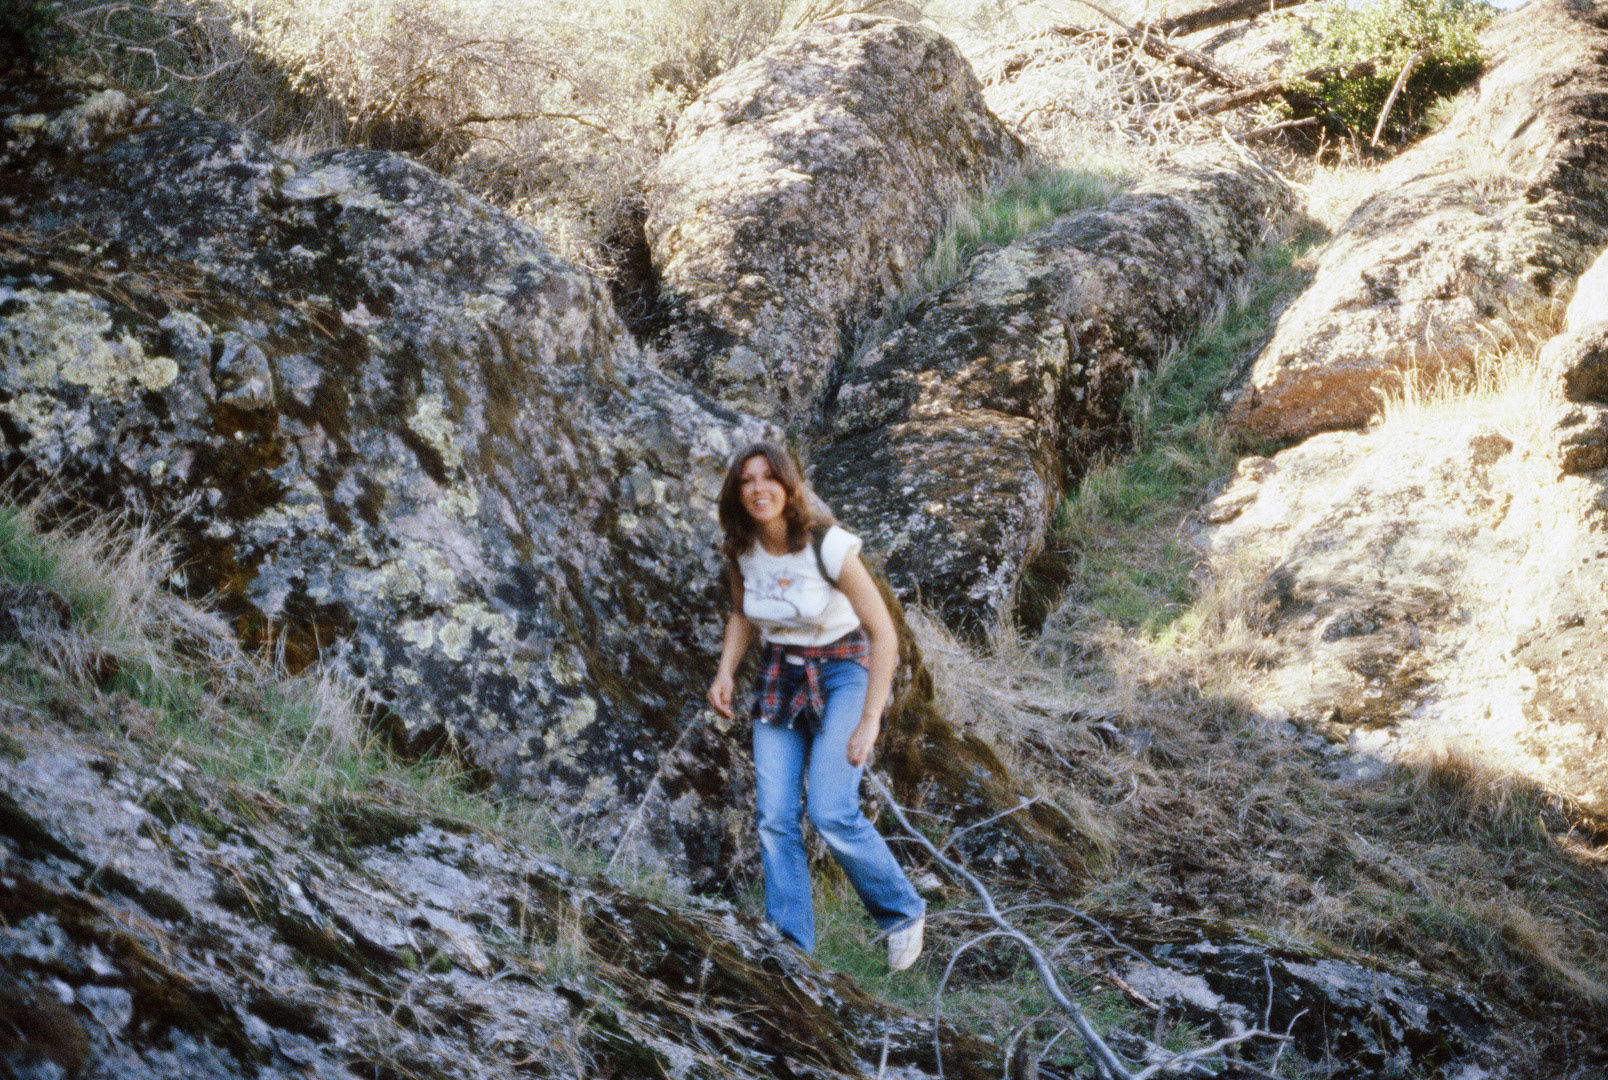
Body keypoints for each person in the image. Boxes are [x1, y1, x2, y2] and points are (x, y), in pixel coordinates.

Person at [706, 442, 926, 971]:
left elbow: (883, 634)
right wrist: (726, 671)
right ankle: (791, 945)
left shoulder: (827, 544)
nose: (759, 490)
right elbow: (741, 614)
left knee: (831, 808)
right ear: (737, 493)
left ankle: (902, 912)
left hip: (844, 671)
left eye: (768, 478)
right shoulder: (741, 548)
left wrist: (870, 719)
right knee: (774, 816)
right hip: (782, 674)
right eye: (746, 481)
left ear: (789, 484)